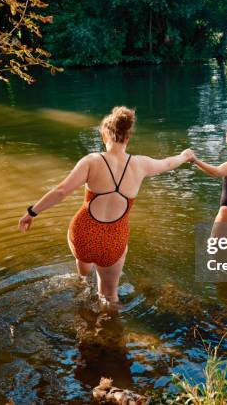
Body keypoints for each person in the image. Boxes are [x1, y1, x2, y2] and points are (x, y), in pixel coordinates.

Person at [18, 106, 194, 304]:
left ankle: (82, 282)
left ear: (104, 135)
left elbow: (61, 192)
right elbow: (168, 164)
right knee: (109, 296)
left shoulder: (92, 161)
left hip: (83, 233)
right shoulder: (141, 164)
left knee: (83, 263)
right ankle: (109, 331)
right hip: (113, 239)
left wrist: (31, 212)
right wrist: (185, 156)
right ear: (128, 137)